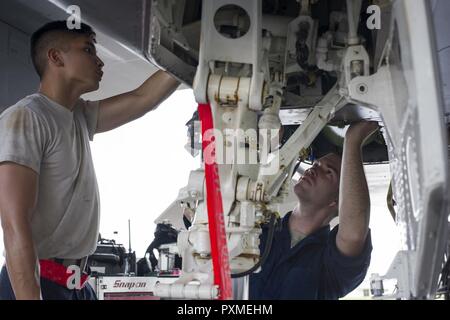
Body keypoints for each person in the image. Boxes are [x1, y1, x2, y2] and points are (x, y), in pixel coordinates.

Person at [0, 21, 180, 300]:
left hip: (77, 285)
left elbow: (142, 98)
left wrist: (193, 58)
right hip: (36, 284)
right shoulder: (27, 117)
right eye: (88, 49)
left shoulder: (78, 116)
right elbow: (14, 225)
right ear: (55, 57)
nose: (99, 61)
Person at [249, 121, 379, 299]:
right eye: (315, 165)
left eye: (329, 172)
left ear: (337, 201)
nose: (313, 170)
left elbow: (354, 235)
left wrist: (353, 140)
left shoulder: (329, 263)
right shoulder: (258, 230)